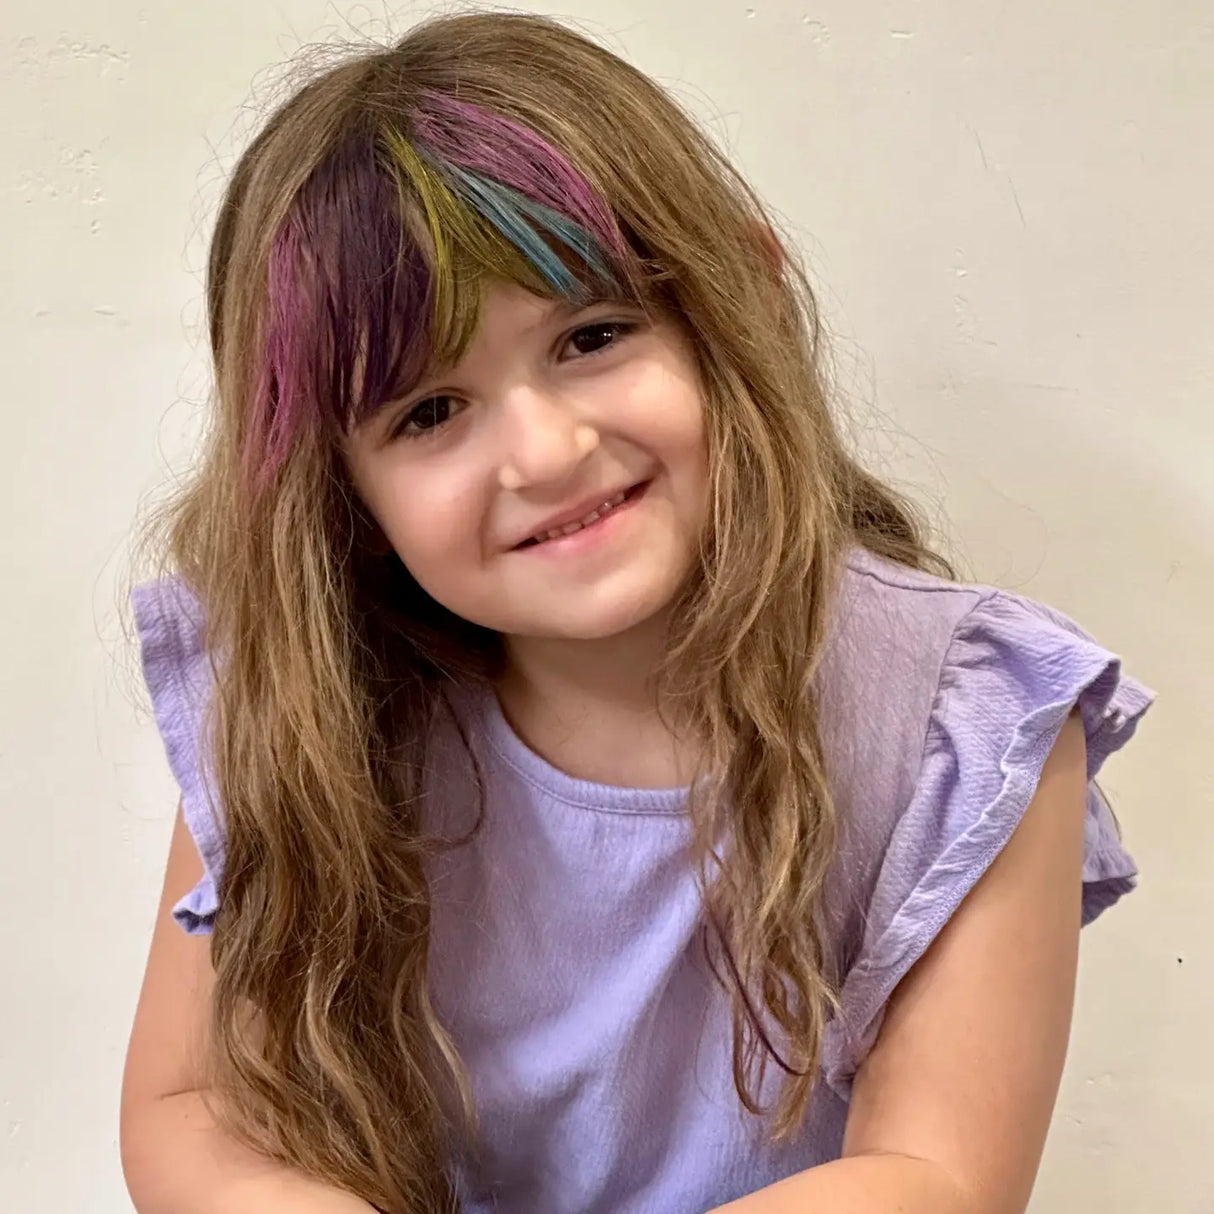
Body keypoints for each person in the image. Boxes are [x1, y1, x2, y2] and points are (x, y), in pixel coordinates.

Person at [118, 11, 1154, 1214]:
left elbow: (935, 1172)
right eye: (428, 411)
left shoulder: (964, 724)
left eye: (591, 336)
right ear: (337, 489)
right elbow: (191, 1106)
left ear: (739, 299)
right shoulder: (292, 704)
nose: (545, 451)